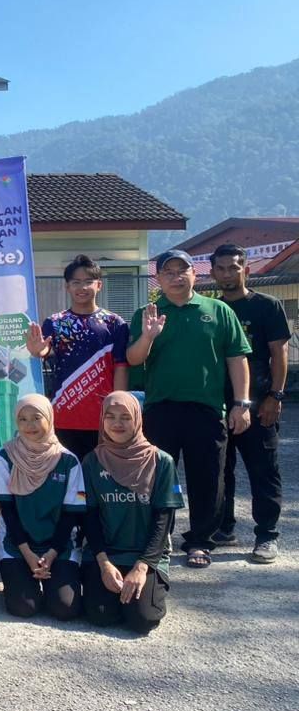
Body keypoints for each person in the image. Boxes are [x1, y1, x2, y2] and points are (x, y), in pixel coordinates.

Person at [126, 248, 251, 569]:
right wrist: (148, 336)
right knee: (155, 479)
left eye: (182, 271)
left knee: (208, 478)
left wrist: (241, 403)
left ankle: (200, 541)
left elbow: (237, 358)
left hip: (207, 409)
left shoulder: (218, 310)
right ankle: (158, 538)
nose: (176, 277)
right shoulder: (147, 313)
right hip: (160, 409)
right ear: (158, 278)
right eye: (168, 272)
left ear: (195, 274)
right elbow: (133, 359)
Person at [209, 243, 290, 563]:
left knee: (263, 469)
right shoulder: (211, 309)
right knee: (219, 470)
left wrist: (275, 396)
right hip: (217, 405)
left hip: (258, 403)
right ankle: (223, 528)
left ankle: (267, 535)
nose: (227, 274)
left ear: (246, 269)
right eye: (221, 268)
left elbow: (279, 354)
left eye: (234, 267)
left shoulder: (267, 306)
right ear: (213, 273)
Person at [82, 392, 184, 634]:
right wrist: (104, 564)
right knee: (100, 616)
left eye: (125, 417)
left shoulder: (161, 461)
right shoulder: (92, 461)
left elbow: (163, 520)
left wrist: (142, 567)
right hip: (106, 555)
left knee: (143, 620)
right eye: (110, 416)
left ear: (138, 419)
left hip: (146, 556)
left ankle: (145, 591)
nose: (117, 423)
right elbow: (89, 517)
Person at [0, 395, 84, 621]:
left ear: (49, 418)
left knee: (65, 608)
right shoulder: (6, 456)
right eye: (22, 419)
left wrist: (50, 555)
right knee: (24, 607)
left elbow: (71, 515)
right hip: (16, 545)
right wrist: (29, 555)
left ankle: (50, 583)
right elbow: (7, 510)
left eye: (36, 417)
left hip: (59, 546)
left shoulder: (68, 461)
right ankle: (24, 582)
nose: (29, 425)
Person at [25, 254, 130, 459]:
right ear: (67, 287)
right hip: (63, 414)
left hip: (103, 417)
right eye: (76, 282)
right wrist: (37, 351)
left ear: (99, 285)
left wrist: (117, 406)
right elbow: (45, 351)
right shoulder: (55, 322)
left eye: (88, 282)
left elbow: (121, 366)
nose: (82, 287)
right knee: (67, 472)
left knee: (101, 473)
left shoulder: (114, 323)